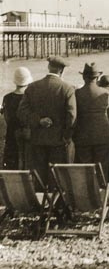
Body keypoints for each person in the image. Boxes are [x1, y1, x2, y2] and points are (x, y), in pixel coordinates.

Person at [17, 56, 77, 186]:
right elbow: (71, 116)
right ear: (62, 71)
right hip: (59, 142)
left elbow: (21, 112)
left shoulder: (32, 87)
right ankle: (58, 204)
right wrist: (67, 137)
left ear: (48, 67)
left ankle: (41, 203)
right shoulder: (67, 88)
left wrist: (39, 121)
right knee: (58, 178)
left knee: (39, 178)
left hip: (37, 140)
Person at [73, 63, 109, 177]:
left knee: (84, 168)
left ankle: (85, 191)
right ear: (97, 77)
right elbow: (106, 108)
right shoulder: (105, 93)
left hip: (83, 134)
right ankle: (100, 191)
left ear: (83, 77)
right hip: (102, 133)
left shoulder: (77, 93)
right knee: (102, 167)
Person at [1, 67, 33, 170]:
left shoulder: (7, 98)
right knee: (28, 163)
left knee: (13, 165)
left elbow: (7, 118)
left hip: (12, 136)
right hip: (29, 134)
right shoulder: (31, 97)